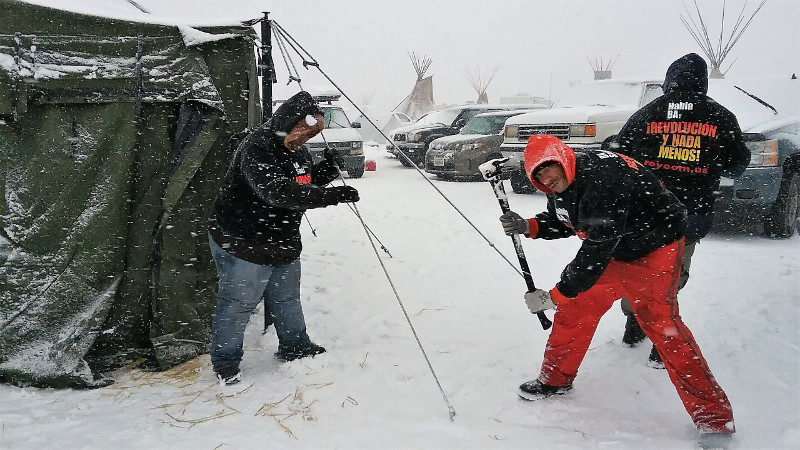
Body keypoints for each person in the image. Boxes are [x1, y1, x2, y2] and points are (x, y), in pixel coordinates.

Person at [499, 134, 735, 439]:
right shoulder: (561, 182)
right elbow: (570, 219)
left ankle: (714, 418)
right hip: (614, 246)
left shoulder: (603, 180)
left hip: (655, 246)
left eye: (549, 168)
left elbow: (594, 251)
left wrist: (555, 295)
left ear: (564, 158)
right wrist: (529, 226)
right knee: (575, 310)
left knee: (662, 325)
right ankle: (555, 379)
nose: (546, 177)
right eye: (538, 174)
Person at [207, 91, 360, 385]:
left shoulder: (295, 148)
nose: (304, 138)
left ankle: (295, 346)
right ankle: (225, 362)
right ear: (286, 122)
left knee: (287, 299)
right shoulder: (258, 147)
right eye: (300, 130)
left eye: (310, 133)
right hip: (243, 241)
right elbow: (276, 191)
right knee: (238, 304)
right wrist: (329, 196)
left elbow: (300, 183)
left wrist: (323, 174)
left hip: (282, 239)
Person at [610, 53, 750, 364]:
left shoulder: (647, 113)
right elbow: (737, 166)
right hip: (690, 215)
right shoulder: (721, 117)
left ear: (669, 80)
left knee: (638, 270)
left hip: (644, 214)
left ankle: (634, 321)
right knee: (671, 275)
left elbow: (620, 153)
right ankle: (664, 338)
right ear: (703, 81)